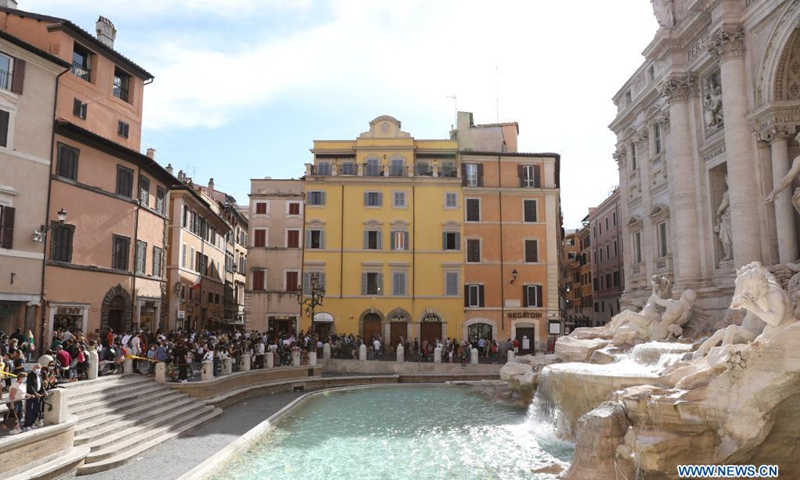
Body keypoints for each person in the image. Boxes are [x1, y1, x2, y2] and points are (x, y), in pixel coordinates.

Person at [715, 176, 732, 261]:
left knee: (728, 236)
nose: (727, 181)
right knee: (725, 237)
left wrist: (718, 212)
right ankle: (728, 254)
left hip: (729, 218)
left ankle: (730, 255)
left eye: (728, 179)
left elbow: (725, 204)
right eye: (726, 180)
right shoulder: (726, 193)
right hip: (725, 218)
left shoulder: (729, 193)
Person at [25, 364, 46, 430]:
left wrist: (44, 391)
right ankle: (27, 425)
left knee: (36, 410)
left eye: (39, 368)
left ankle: (32, 423)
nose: (38, 369)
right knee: (30, 410)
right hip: (31, 395)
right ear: (33, 368)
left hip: (38, 396)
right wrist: (35, 393)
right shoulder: (30, 375)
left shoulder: (40, 375)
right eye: (37, 367)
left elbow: (41, 385)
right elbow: (30, 386)